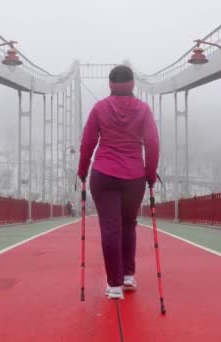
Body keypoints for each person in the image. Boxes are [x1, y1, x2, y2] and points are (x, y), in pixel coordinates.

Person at [77, 65, 159, 300]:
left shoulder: (99, 108)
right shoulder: (143, 110)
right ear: (133, 84)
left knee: (110, 228)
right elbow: (152, 143)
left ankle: (114, 286)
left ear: (110, 85)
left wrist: (82, 171)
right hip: (134, 177)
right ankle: (128, 276)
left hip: (103, 174)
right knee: (128, 224)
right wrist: (150, 174)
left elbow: (88, 142)